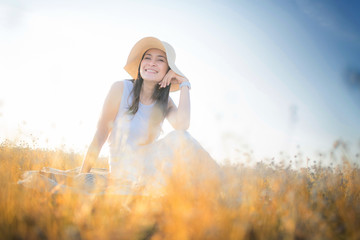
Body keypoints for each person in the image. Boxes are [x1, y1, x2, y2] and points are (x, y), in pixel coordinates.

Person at [19, 37, 219, 194]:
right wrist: (83, 174)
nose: (151, 63)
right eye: (147, 58)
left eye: (160, 60)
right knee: (180, 139)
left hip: (151, 170)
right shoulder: (121, 88)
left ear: (168, 70)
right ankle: (223, 193)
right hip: (124, 169)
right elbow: (101, 133)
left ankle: (219, 192)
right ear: (140, 64)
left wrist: (184, 83)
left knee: (181, 139)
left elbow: (182, 125)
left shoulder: (165, 102)